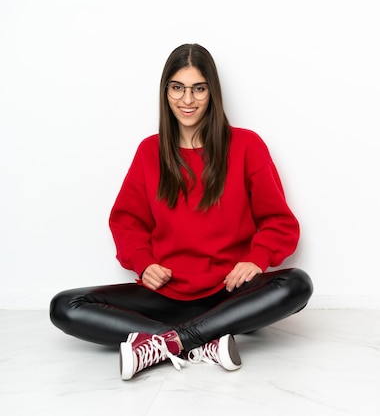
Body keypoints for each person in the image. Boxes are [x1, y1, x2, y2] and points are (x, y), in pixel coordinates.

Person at [49, 43, 313, 381]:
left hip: (229, 293)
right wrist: (143, 262)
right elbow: (127, 220)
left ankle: (168, 341)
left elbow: (278, 221)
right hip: (166, 294)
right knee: (65, 306)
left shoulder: (247, 146)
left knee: (297, 284)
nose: (187, 100)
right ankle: (204, 342)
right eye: (177, 88)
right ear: (166, 92)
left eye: (198, 88)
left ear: (211, 92)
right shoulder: (150, 151)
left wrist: (256, 259)